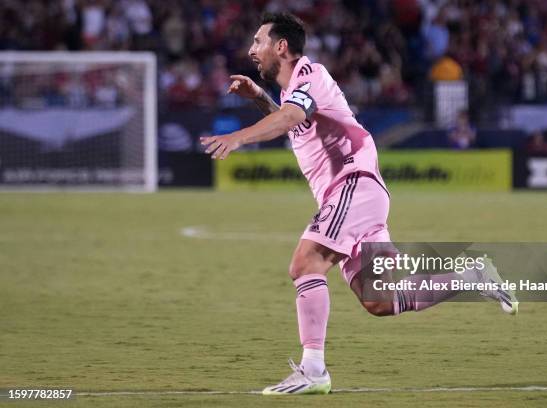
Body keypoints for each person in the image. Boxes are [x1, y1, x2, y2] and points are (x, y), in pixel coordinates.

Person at [200, 12, 517, 396]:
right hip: (362, 195)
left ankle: (313, 370)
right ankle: (471, 277)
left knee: (306, 264)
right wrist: (260, 99)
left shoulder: (309, 75)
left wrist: (239, 137)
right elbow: (293, 119)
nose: (252, 50)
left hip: (351, 184)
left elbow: (289, 118)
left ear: (281, 47)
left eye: (258, 42)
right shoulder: (293, 92)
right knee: (379, 300)